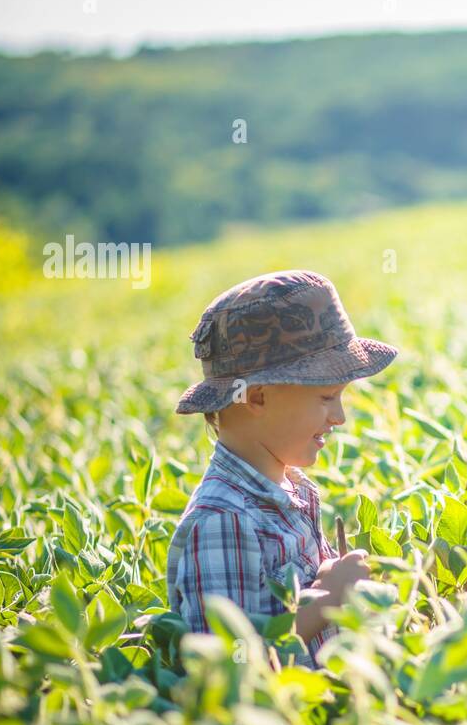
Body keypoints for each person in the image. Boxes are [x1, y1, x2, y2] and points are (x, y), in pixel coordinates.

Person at [166, 270, 395, 667]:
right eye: (326, 397)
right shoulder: (223, 522)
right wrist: (326, 598)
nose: (339, 417)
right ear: (256, 397)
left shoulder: (293, 488)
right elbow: (227, 670)